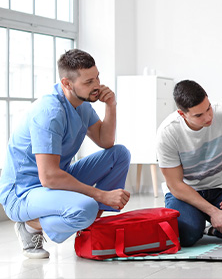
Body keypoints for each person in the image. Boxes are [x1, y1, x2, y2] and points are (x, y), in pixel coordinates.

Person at [0, 49, 131, 259]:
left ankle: (90, 224)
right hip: (23, 193)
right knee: (86, 206)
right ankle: (30, 226)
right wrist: (101, 195)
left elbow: (105, 141)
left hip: (55, 180)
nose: (97, 85)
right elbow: (49, 177)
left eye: (97, 77)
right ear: (67, 84)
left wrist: (111, 106)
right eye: (88, 82)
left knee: (119, 154)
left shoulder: (80, 104)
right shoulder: (50, 113)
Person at [156, 80, 222, 246]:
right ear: (182, 114)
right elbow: (175, 185)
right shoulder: (168, 132)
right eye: (198, 115)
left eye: (208, 108)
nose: (208, 117)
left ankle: (210, 229)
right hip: (186, 193)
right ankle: (200, 222)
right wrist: (214, 212)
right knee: (187, 234)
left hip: (219, 189)